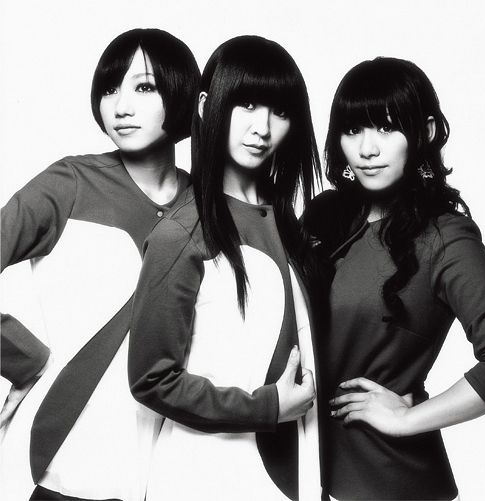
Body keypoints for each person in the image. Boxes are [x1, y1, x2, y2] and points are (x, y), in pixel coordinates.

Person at [0, 28, 199, 501]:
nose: (121, 106)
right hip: (65, 466)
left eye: (144, 87)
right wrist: (23, 359)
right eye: (110, 88)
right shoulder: (68, 183)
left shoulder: (206, 206)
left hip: (171, 469)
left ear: (182, 93)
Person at [128, 35, 322, 501]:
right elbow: (152, 379)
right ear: (205, 105)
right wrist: (265, 408)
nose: (262, 127)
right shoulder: (182, 232)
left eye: (279, 111)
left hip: (290, 471)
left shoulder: (288, 226)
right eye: (247, 104)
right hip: (206, 475)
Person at [304, 57, 485, 500]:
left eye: (387, 128)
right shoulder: (323, 217)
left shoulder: (445, 237)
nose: (367, 149)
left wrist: (406, 418)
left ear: (425, 132)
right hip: (305, 466)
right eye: (353, 129)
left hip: (392, 479)